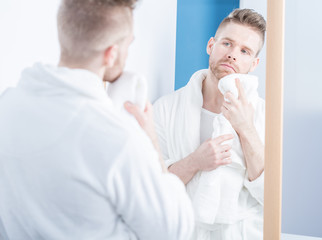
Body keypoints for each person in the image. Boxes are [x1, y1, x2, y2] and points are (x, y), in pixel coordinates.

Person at [0, 0, 194, 239]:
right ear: (111, 53)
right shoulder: (120, 138)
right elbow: (174, 230)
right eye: (128, 44)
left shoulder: (8, 105)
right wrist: (150, 138)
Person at [153, 8, 266, 239]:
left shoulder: (264, 114)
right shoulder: (165, 108)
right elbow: (154, 187)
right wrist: (196, 161)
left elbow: (270, 193)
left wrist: (245, 128)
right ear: (210, 45)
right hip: (185, 231)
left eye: (244, 51)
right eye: (227, 43)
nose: (233, 54)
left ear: (254, 64)